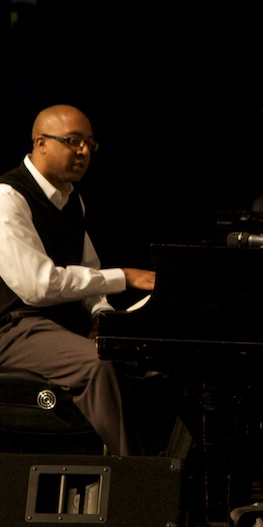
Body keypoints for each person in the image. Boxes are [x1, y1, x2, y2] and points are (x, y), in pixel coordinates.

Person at [0, 104, 156, 455]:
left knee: (149, 362)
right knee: (96, 365)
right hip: (11, 328)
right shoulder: (8, 198)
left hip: (53, 325)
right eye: (73, 141)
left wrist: (101, 316)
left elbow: (89, 270)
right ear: (40, 143)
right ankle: (135, 480)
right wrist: (124, 277)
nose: (84, 151)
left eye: (89, 143)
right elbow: (37, 286)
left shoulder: (71, 200)